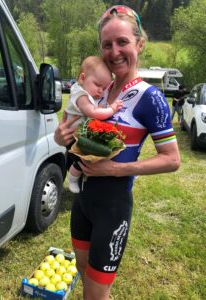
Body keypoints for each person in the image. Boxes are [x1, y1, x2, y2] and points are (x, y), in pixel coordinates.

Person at [54, 5, 180, 300]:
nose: (114, 51)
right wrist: (61, 138)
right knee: (85, 277)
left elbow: (172, 160)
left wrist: (114, 170)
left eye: (122, 42)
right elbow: (74, 138)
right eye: (106, 44)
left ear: (140, 43)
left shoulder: (151, 98)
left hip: (113, 207)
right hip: (82, 202)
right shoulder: (99, 90)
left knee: (96, 293)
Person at [65, 56, 123, 193]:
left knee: (88, 157)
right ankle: (72, 179)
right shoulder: (81, 95)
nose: (100, 91)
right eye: (97, 85)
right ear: (82, 78)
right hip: (72, 137)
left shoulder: (86, 92)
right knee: (82, 160)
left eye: (104, 88)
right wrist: (112, 109)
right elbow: (93, 113)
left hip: (78, 134)